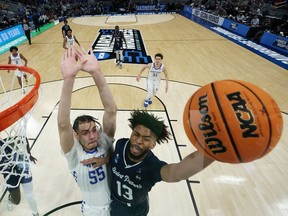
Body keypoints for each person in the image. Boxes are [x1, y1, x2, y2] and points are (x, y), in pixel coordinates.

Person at [82, 110, 214, 216]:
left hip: (139, 207)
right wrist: (104, 160)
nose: (138, 141)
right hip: (117, 204)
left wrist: (212, 152)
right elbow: (115, 158)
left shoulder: (152, 166)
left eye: (146, 139)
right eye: (136, 134)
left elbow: (177, 173)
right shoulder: (121, 144)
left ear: (153, 144)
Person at [57, 46, 117, 216]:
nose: (92, 136)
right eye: (85, 133)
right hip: (93, 211)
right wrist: (69, 79)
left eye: (93, 130)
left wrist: (97, 73)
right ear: (76, 136)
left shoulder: (103, 142)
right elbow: (63, 125)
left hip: (117, 204)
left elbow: (111, 110)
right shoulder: (73, 154)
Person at [0, 137, 40, 216]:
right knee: (16, 201)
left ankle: (35, 213)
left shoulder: (5, 143)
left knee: (29, 194)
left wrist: (29, 154)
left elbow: (23, 138)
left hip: (21, 164)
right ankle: (10, 198)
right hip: (9, 173)